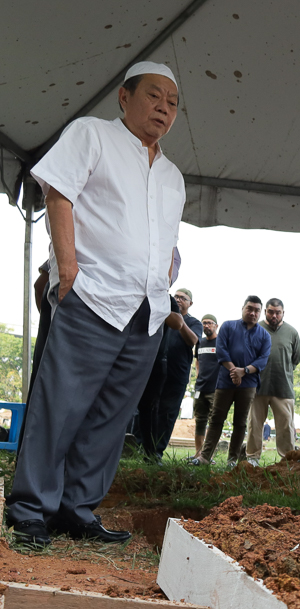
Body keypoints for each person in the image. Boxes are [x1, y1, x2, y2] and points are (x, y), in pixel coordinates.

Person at [4, 61, 185, 546]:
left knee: (111, 416)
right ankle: (29, 511)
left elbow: (166, 239)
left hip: (146, 311)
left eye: (172, 102)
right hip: (93, 297)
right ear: (124, 98)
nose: (164, 108)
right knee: (59, 405)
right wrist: (67, 270)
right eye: (154, 96)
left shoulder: (172, 175)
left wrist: (167, 281)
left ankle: (75, 510)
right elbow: (58, 193)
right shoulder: (92, 134)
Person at [192, 296, 272, 466]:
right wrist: (234, 371)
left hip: (249, 384)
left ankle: (232, 460)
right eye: (249, 308)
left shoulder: (264, 335)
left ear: (261, 312)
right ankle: (204, 457)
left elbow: (263, 360)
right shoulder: (228, 326)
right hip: (224, 382)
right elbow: (221, 351)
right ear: (243, 308)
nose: (253, 312)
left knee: (240, 422)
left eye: (257, 310)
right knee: (216, 419)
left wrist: (244, 371)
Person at [245, 298, 300, 465]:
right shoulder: (255, 329)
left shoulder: (292, 332)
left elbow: (295, 360)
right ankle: (252, 457)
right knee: (254, 424)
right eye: (270, 311)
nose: (274, 315)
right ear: (265, 312)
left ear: (283, 313)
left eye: (278, 312)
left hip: (283, 387)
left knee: (286, 427)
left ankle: (287, 458)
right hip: (257, 386)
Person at [150, 287, 202, 459]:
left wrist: (179, 322)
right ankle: (141, 446)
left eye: (183, 298)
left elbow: (193, 340)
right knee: (148, 409)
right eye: (176, 297)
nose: (179, 300)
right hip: (155, 371)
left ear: (190, 303)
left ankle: (157, 451)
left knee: (168, 412)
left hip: (177, 374)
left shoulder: (194, 322)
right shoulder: (163, 317)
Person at [193, 313, 220, 455]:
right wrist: (198, 376)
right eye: (204, 323)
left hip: (215, 389)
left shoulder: (221, 342)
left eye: (210, 323)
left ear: (216, 325)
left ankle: (208, 454)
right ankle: (198, 453)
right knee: (200, 421)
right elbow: (197, 361)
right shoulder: (199, 342)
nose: (206, 325)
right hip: (200, 389)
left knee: (214, 422)